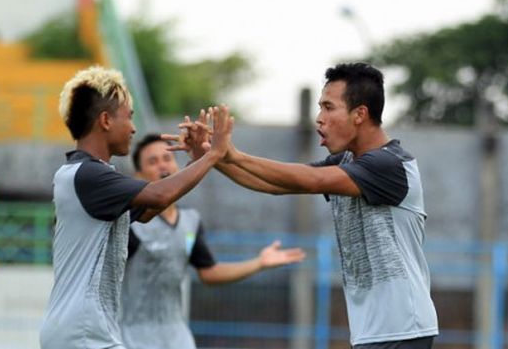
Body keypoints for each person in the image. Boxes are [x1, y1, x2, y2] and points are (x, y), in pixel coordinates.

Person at [174, 63, 439, 349]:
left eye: (328, 107)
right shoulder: (348, 163)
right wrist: (211, 156)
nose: (319, 119)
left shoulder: (388, 164)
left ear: (360, 113)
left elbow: (310, 180)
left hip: (403, 330)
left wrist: (231, 154)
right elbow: (277, 185)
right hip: (376, 333)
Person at [39, 66, 234, 349]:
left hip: (86, 332)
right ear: (105, 120)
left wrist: (196, 161)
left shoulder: (90, 176)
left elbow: (149, 209)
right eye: (129, 117)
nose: (133, 128)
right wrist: (215, 153)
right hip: (83, 334)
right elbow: (158, 196)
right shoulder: (89, 175)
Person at [120, 134, 306, 349]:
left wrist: (259, 263)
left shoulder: (190, 222)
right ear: (138, 175)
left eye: (167, 158)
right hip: (132, 338)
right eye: (153, 161)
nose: (162, 165)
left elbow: (208, 272)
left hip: (177, 338)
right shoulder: (130, 224)